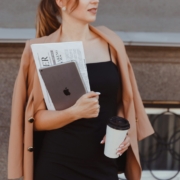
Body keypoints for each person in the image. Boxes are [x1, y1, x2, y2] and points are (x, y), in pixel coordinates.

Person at [7, 0, 154, 180]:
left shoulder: (111, 42)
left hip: (103, 166)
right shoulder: (41, 50)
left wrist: (122, 131)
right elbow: (33, 119)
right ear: (61, 2)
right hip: (57, 167)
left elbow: (122, 102)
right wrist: (75, 112)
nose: (95, 0)